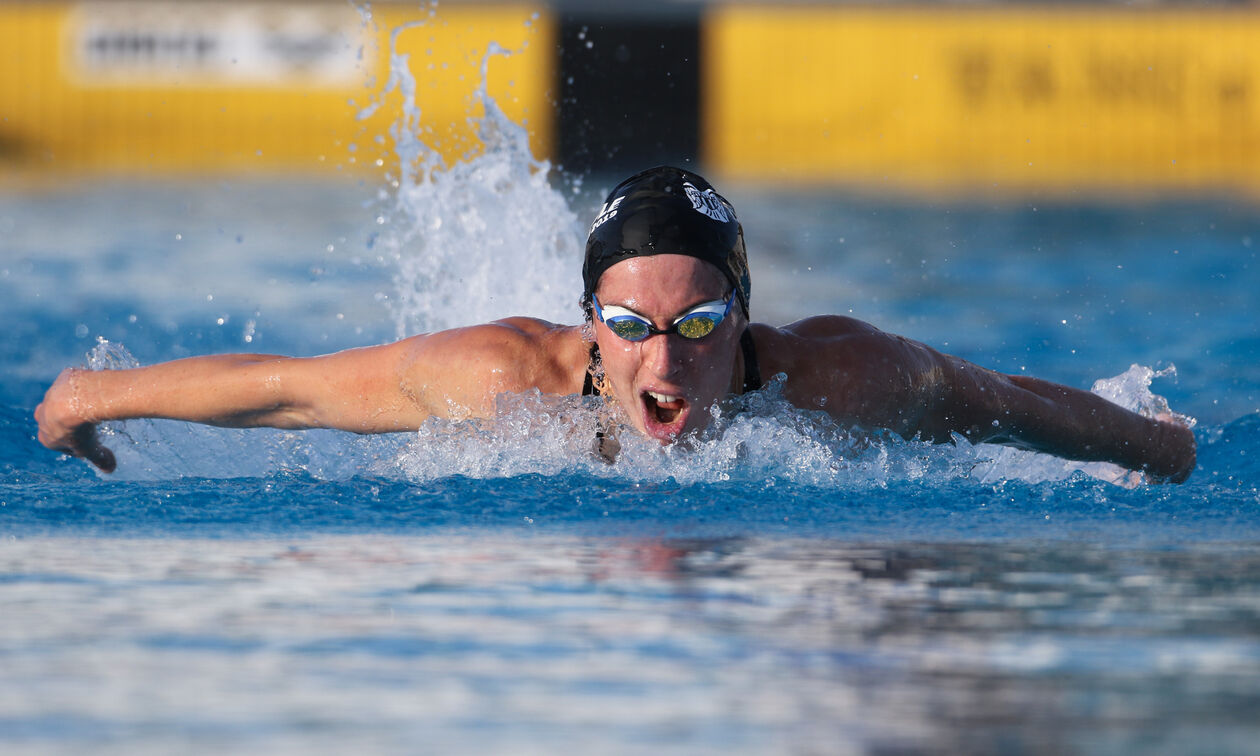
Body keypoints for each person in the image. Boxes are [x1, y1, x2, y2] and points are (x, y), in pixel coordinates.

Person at [34, 166, 1197, 482]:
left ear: (744, 321)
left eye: (698, 322)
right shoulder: (508, 382)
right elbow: (289, 387)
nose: (664, 354)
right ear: (590, 326)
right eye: (629, 323)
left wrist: (1157, 444)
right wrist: (91, 399)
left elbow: (1003, 403)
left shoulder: (839, 382)